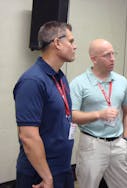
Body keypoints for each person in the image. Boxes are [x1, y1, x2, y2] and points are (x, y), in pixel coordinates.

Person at [13, 21, 77, 188]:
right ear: (57, 43)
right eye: (70, 41)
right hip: (40, 174)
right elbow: (28, 137)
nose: (75, 46)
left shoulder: (60, 78)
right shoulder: (32, 81)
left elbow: (63, 116)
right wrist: (47, 178)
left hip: (62, 168)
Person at [70, 38, 127, 188]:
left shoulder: (122, 81)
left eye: (113, 54)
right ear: (94, 59)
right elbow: (72, 116)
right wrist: (99, 115)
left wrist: (125, 138)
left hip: (118, 143)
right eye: (107, 55)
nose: (112, 59)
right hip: (93, 143)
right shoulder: (79, 83)